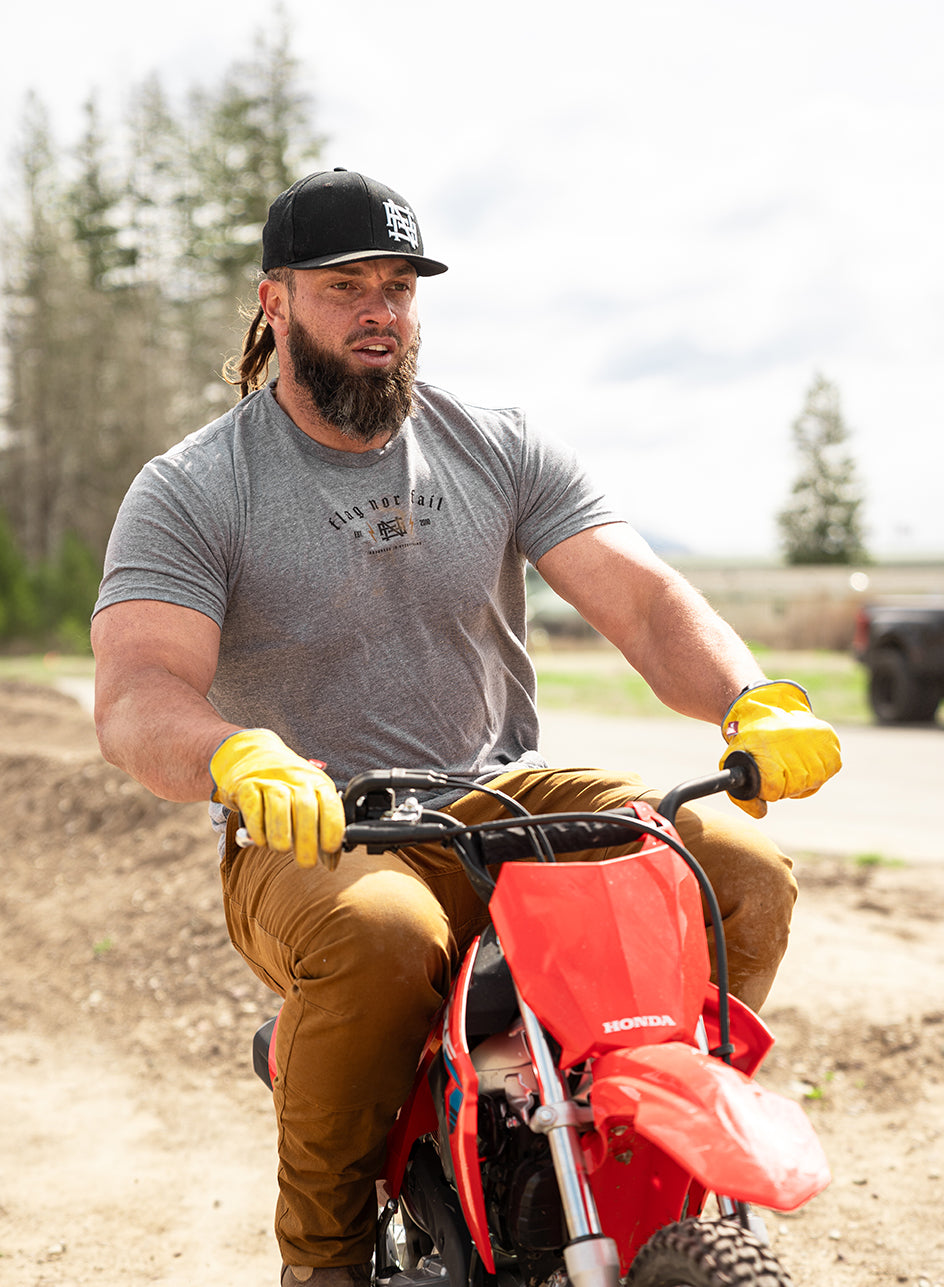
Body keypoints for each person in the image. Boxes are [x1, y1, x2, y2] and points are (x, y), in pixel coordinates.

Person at [90, 168, 841, 1287]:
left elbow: (638, 599)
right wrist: (233, 755)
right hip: (313, 825)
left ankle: (636, 1147)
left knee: (735, 866)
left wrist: (752, 696)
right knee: (384, 934)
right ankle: (326, 1263)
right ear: (273, 301)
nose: (378, 308)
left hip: (501, 794)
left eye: (397, 285)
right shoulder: (196, 486)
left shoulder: (492, 443)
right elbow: (138, 689)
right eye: (344, 285)